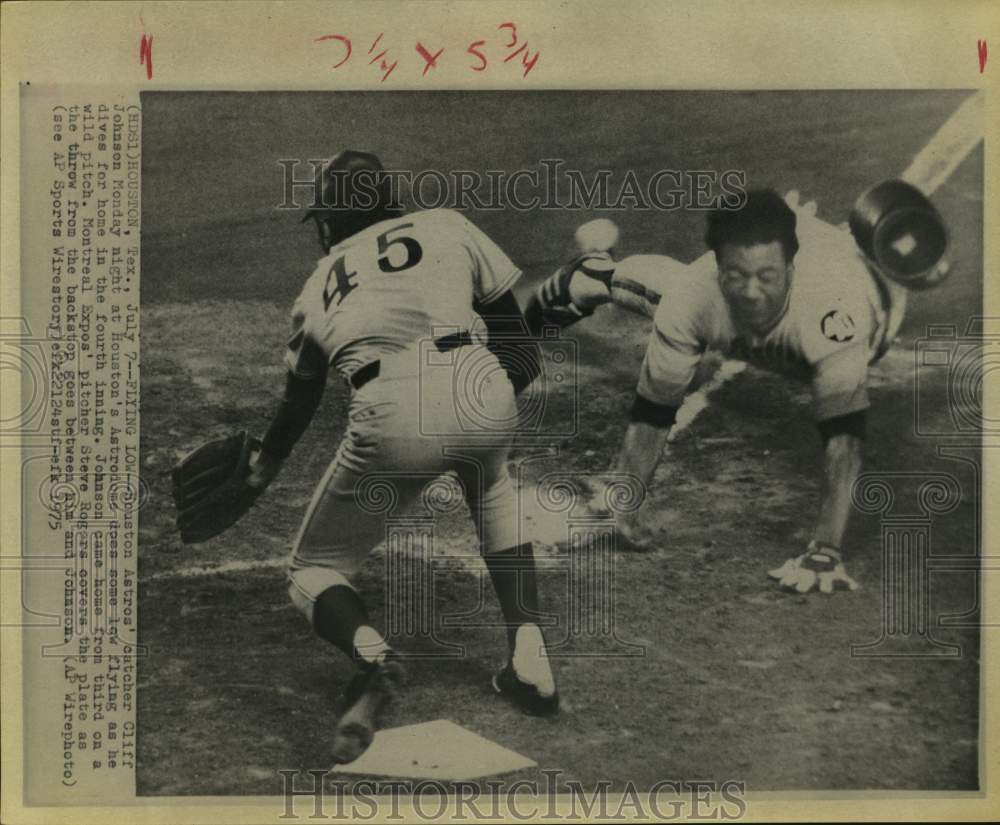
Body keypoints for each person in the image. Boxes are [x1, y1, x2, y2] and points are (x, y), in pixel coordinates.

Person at [250, 150, 559, 765]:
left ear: (333, 220)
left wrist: (263, 465)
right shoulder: (446, 223)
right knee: (491, 484)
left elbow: (298, 405)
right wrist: (476, 415)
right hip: (480, 385)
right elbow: (520, 349)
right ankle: (532, 658)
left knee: (312, 570)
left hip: (388, 413)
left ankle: (372, 652)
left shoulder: (316, 287)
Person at [524, 186, 948, 595]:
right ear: (717, 265)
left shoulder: (837, 316)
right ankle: (589, 270)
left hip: (851, 298)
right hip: (783, 277)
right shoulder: (695, 295)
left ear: (790, 266)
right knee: (639, 291)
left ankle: (862, 236)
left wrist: (825, 550)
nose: (750, 292)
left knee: (906, 251)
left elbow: (844, 440)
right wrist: (626, 499)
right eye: (735, 275)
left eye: (766, 275)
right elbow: (654, 411)